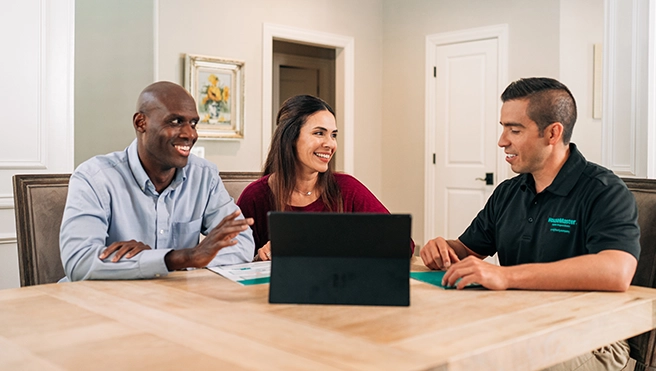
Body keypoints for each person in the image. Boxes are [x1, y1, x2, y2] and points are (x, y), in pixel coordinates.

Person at [421, 77, 639, 371]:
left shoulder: (604, 190)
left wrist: (507, 277)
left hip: (593, 336)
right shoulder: (509, 192)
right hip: (520, 324)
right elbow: (468, 250)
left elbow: (616, 271)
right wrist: (443, 249)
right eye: (503, 128)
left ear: (552, 133)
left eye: (515, 130)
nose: (502, 141)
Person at [59, 81, 255, 281]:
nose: (190, 134)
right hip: (101, 304)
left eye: (193, 123)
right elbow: (79, 262)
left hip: (173, 301)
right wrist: (177, 258)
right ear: (140, 123)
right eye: (176, 121)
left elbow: (243, 244)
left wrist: (172, 262)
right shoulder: (95, 178)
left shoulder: (204, 176)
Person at [237, 94, 414, 261]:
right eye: (319, 133)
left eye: (333, 135)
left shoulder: (347, 189)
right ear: (290, 137)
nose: (330, 144)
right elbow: (232, 261)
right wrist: (259, 259)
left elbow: (403, 243)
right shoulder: (255, 197)